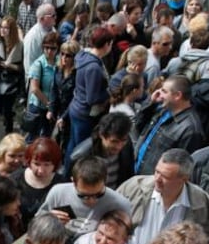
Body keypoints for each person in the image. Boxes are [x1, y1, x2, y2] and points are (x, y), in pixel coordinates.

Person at [118, 148, 209, 244]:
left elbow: (204, 236)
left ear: (184, 179)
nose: (157, 179)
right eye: (157, 172)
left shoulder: (201, 202)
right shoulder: (134, 187)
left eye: (165, 176)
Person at [38, 156, 133, 239]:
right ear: (73, 182)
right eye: (83, 196)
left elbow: (126, 238)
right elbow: (36, 224)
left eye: (99, 195)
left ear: (105, 181)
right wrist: (49, 220)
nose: (92, 201)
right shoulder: (58, 193)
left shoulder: (120, 204)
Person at [131, 75, 204, 177]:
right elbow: (137, 125)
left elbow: (181, 168)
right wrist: (150, 102)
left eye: (164, 91)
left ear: (177, 95)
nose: (160, 94)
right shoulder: (163, 108)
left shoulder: (190, 129)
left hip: (152, 182)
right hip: (136, 173)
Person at [66, 27, 113, 161]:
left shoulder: (83, 56)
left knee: (73, 145)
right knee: (80, 151)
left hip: (76, 107)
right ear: (106, 45)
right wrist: (108, 93)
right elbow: (92, 98)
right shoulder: (94, 68)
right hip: (84, 113)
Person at [68, 112, 134, 189]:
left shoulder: (127, 145)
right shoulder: (81, 155)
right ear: (101, 135)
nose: (119, 146)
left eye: (123, 140)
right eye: (114, 141)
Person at [16, 137, 64, 225]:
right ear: (29, 161)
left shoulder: (62, 184)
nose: (41, 170)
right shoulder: (15, 180)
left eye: (47, 165)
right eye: (36, 164)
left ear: (55, 164)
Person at [0, 16, 25, 134]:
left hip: (12, 80)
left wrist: (8, 65)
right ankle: (7, 119)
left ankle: (9, 129)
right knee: (0, 107)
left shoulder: (19, 46)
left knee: (8, 107)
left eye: (6, 28)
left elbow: (21, 68)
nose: (3, 30)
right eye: (2, 27)